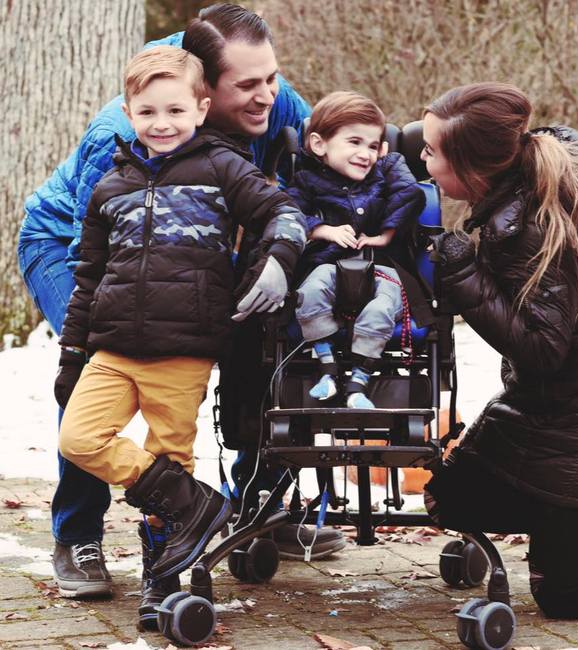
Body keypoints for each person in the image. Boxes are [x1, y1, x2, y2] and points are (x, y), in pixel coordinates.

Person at [17, 2, 344, 604]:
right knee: (100, 369)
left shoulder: (270, 93)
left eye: (271, 78)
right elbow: (107, 254)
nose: (266, 95)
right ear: (206, 89)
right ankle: (79, 532)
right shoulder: (128, 128)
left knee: (260, 347)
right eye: (246, 86)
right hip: (78, 248)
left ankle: (255, 506)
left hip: (194, 249)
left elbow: (335, 155)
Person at [420, 82, 578, 618]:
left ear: (473, 170)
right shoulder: (518, 195)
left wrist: (464, 276)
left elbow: (543, 348)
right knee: (450, 497)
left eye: (432, 151)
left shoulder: (535, 223)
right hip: (555, 407)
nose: (422, 158)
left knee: (565, 596)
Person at [287, 91, 426, 408]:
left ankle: (359, 382)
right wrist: (322, 230)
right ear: (320, 145)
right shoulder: (307, 181)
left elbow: (409, 194)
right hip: (328, 266)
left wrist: (386, 234)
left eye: (373, 145)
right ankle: (327, 368)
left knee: (382, 307)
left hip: (380, 267)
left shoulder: (386, 171)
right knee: (309, 290)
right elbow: (289, 211)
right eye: (354, 142)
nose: (365, 153)